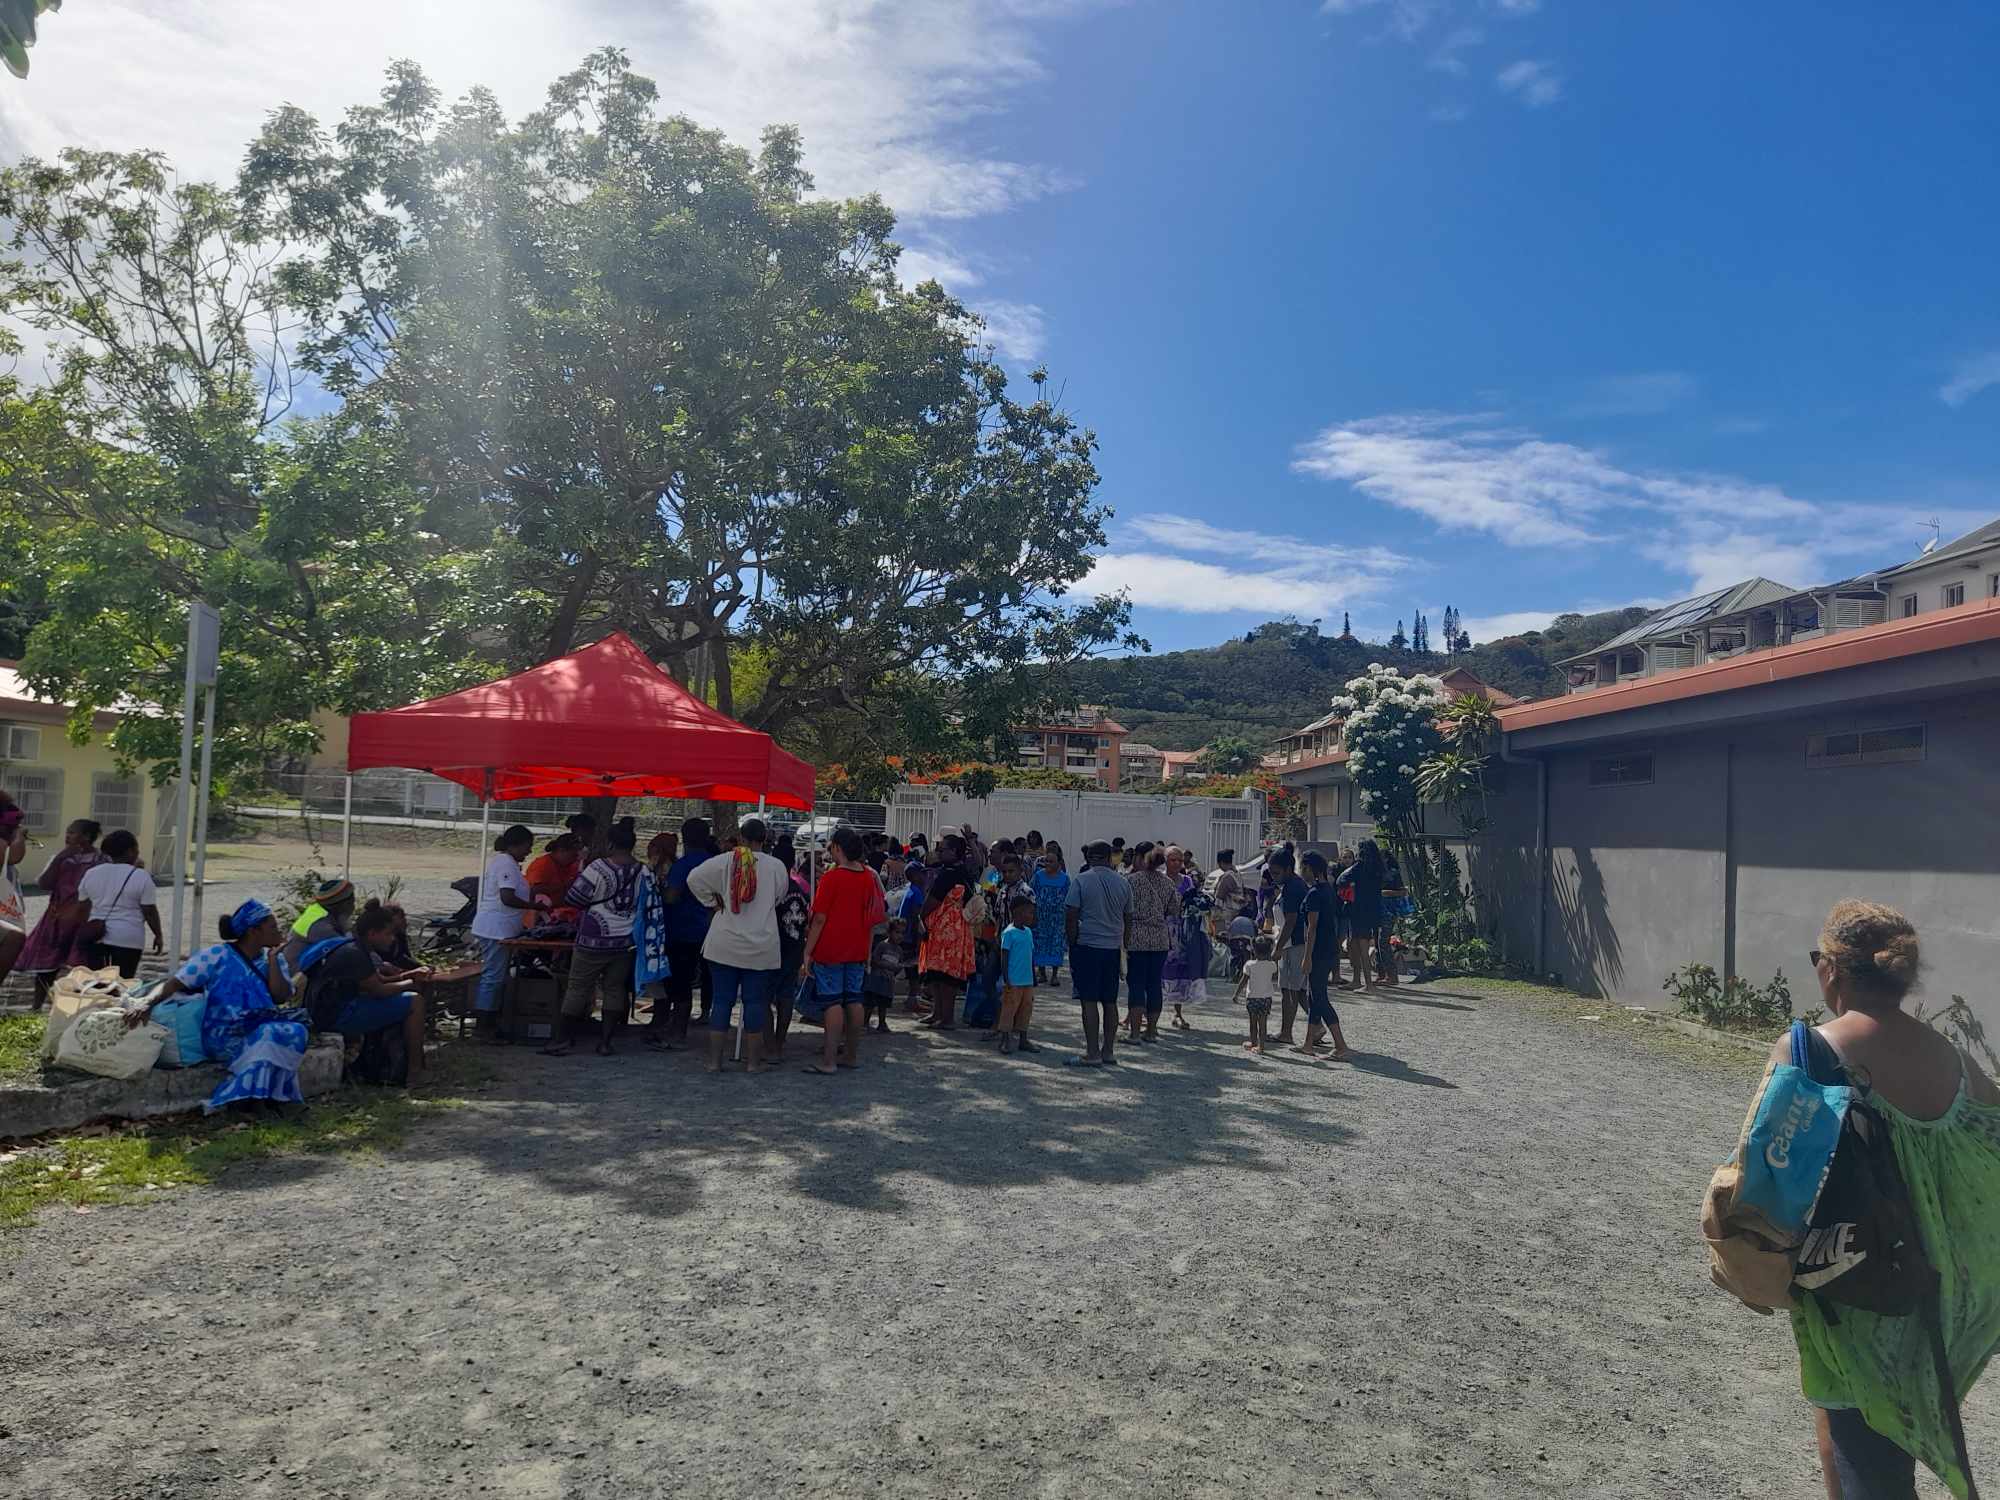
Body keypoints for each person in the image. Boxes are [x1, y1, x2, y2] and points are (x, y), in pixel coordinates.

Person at [1706, 902, 2000, 1500]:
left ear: (1831, 972)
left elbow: (1762, 1193)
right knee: (1856, 1437)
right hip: (1941, 1289)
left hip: (1860, 1289)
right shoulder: (1956, 1060)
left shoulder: (1811, 1055)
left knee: (1868, 1462)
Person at [133, 901, 312, 1113]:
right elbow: (174, 982)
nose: (279, 930)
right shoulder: (217, 955)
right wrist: (147, 1002)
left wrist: (273, 960)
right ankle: (251, 1099)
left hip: (259, 1026)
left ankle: (272, 1095)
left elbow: (280, 997)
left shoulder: (273, 959)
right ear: (253, 931)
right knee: (271, 1034)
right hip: (224, 1034)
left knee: (295, 1031)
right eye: (272, 927)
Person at [685, 816, 785, 1073]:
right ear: (766, 840)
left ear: (741, 838)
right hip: (760, 946)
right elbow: (778, 897)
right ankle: (753, 1063)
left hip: (724, 943)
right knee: (754, 1003)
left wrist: (712, 901)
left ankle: (715, 1062)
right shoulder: (776, 867)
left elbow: (693, 879)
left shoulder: (725, 861)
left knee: (721, 1001)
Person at [299, 899, 428, 1081]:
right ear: (373, 933)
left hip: (327, 1010)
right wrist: (411, 984)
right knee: (415, 1001)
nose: (392, 939)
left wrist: (409, 976)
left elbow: (376, 980)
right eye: (389, 934)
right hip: (336, 1015)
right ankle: (415, 1071)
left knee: (404, 997)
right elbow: (379, 990)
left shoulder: (351, 945)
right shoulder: (355, 954)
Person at [544, 820, 643, 1057]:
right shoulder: (643, 871)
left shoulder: (597, 868)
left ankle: (563, 1039)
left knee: (577, 987)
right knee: (614, 989)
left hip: (592, 939)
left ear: (610, 844)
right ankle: (606, 1042)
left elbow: (575, 898)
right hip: (625, 940)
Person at [798, 828, 885, 1075]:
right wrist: (867, 952)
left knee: (832, 1002)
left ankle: (829, 1060)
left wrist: (807, 951)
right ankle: (851, 1054)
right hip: (857, 948)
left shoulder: (832, 878)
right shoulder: (869, 877)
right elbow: (871, 919)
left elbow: (819, 919)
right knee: (854, 1000)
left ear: (837, 848)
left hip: (831, 948)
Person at [17, 818, 105, 1006]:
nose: (67, 836)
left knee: (82, 966)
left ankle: (75, 1007)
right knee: (47, 966)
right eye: (67, 831)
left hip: (84, 917)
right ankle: (36, 1006)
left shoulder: (101, 861)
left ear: (87, 836)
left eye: (73, 832)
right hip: (56, 918)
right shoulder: (62, 858)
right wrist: (60, 858)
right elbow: (44, 884)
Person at [651, 817, 717, 1051]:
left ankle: (677, 1031)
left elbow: (671, 896)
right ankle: (679, 1026)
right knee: (699, 980)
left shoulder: (684, 865)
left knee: (679, 982)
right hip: (710, 929)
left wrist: (660, 888)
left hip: (682, 930)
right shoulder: (715, 862)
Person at [471, 825, 543, 1039]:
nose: (529, 851)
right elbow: (507, 897)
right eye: (527, 847)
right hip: (495, 929)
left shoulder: (508, 863)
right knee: (492, 977)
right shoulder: (506, 864)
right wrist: (533, 906)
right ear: (516, 844)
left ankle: (490, 1021)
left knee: (497, 976)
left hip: (501, 928)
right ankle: (484, 1027)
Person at [1065, 841, 1132, 1069]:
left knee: (1089, 1001)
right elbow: (1128, 918)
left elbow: (1071, 915)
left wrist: (1072, 943)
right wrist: (1124, 945)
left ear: (1089, 857)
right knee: (1110, 1001)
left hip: (1088, 946)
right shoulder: (1123, 883)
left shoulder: (1081, 880)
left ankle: (1092, 1052)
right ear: (1109, 857)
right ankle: (1108, 1051)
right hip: (1112, 949)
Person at [74, 830, 162, 978]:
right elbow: (149, 911)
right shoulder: (141, 876)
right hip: (128, 938)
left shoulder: (92, 873)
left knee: (98, 984)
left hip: (96, 936)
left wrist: (84, 928)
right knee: (124, 982)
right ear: (131, 851)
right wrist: (158, 935)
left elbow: (82, 906)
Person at [1296, 851, 1354, 1060]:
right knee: (1314, 997)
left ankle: (1340, 1044)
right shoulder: (1328, 890)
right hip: (1329, 949)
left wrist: (1307, 956)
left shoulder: (1314, 894)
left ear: (1310, 868)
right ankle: (1308, 1044)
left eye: (1303, 867)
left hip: (1318, 951)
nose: (1301, 871)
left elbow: (1312, 927)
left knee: (1319, 998)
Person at [917, 833, 978, 1031]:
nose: (939, 852)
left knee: (946, 976)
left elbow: (932, 901)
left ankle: (947, 1018)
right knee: (937, 973)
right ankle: (938, 1013)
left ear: (954, 852)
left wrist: (921, 917)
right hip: (949, 930)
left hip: (947, 931)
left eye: (942, 849)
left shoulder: (949, 874)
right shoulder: (962, 871)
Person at [1123, 846, 1178, 1044]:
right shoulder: (1168, 883)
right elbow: (1174, 909)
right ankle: (1152, 1031)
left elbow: (1123, 909)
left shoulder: (1131, 881)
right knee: (1154, 984)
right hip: (1160, 939)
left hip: (1136, 937)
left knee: (1136, 984)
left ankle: (1135, 1033)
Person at [767, 844, 812, 1063]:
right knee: (786, 996)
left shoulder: (771, 888)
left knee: (763, 997)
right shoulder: (801, 891)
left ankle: (769, 1046)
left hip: (772, 949)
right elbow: (806, 923)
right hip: (794, 948)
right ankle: (779, 1042)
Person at [1162, 845, 1213, 1032]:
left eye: (1179, 860)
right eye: (1172, 860)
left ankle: (1178, 1013)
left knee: (1180, 971)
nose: (1176, 864)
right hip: (1161, 930)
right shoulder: (1159, 879)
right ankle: (1149, 1013)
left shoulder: (1187, 881)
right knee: (1159, 970)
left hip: (1182, 932)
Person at [1269, 850, 1309, 1044]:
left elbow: (1291, 921)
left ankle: (1287, 1032)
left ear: (1287, 869)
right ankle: (1317, 1026)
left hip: (1294, 943)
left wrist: (1278, 947)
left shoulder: (1293, 888)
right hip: (1290, 943)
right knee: (1296, 990)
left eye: (1276, 873)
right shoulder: (1288, 886)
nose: (1273, 877)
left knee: (1291, 990)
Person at [1337, 840, 1386, 993]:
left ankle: (1368, 984)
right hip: (1373, 910)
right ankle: (1357, 980)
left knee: (1362, 947)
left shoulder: (1360, 866)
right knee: (1357, 945)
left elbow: (1341, 880)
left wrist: (1352, 885)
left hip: (1358, 910)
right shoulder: (1379, 867)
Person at [996, 895, 1039, 1056]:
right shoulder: (1009, 933)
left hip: (1027, 980)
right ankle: (1005, 1039)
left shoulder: (1028, 932)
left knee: (1026, 1008)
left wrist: (1033, 975)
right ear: (1018, 913)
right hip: (1013, 980)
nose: (1032, 916)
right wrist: (1006, 977)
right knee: (1009, 1008)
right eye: (1029, 913)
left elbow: (1030, 955)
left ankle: (1023, 1038)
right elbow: (1004, 955)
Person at [282, 877, 356, 967]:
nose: (353, 906)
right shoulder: (320, 925)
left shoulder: (320, 911)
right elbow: (348, 952)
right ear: (343, 904)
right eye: (352, 901)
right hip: (297, 975)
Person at [522, 833, 584, 929]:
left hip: (557, 915)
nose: (576, 858)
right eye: (573, 855)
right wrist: (563, 886)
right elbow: (534, 890)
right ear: (561, 851)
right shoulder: (542, 864)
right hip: (538, 919)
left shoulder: (570, 865)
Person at [1230, 935, 1279, 1055]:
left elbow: (1243, 981)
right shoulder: (1272, 965)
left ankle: (1253, 1042)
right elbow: (1273, 973)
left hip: (1252, 998)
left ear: (1254, 950)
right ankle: (1261, 1046)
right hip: (1266, 999)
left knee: (1253, 1022)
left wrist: (1236, 994)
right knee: (1263, 1023)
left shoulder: (1249, 964)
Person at [1030, 847, 1070, 987]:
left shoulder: (1065, 879)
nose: (1048, 864)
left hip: (1057, 919)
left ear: (1059, 863)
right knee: (1040, 943)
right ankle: (1041, 972)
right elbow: (1031, 893)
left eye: (1051, 861)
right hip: (1040, 917)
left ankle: (1054, 975)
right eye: (1046, 861)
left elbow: (1069, 898)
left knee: (1055, 944)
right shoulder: (1038, 876)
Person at [864, 919, 903, 1035]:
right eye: (897, 932)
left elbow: (899, 965)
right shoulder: (882, 945)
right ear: (889, 932)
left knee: (883, 1004)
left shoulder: (900, 950)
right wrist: (886, 965)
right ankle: (865, 1023)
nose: (900, 936)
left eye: (902, 933)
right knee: (870, 1003)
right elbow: (874, 961)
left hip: (888, 981)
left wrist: (896, 969)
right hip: (876, 980)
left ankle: (882, 1023)